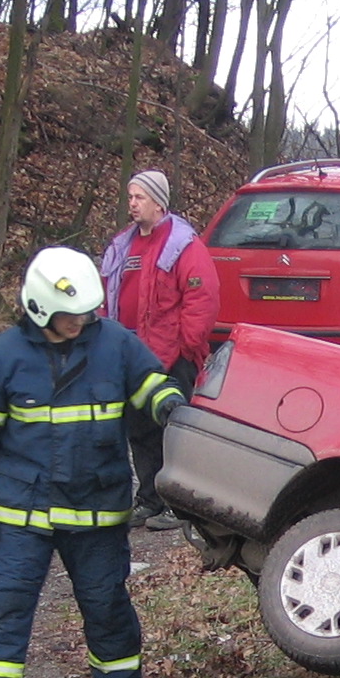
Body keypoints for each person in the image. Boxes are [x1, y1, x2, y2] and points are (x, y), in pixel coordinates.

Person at [0, 246, 185, 678]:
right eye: (68, 314)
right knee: (8, 602)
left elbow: (150, 383)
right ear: (38, 308)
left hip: (95, 509)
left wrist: (170, 406)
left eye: (85, 312)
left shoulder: (116, 344)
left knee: (105, 602)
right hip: (22, 511)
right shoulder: (2, 358)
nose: (79, 321)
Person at [100, 169, 219, 531]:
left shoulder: (184, 246)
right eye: (130, 196)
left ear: (158, 201)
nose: (131, 204)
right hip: (132, 358)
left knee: (174, 429)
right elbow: (107, 296)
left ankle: (179, 504)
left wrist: (187, 345)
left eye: (138, 197)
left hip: (172, 357)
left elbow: (203, 297)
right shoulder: (123, 244)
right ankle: (149, 499)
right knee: (139, 431)